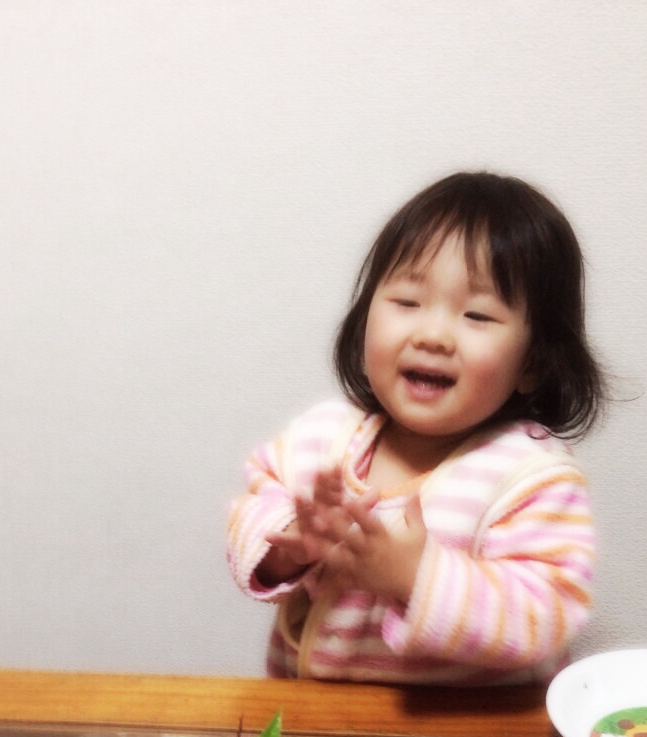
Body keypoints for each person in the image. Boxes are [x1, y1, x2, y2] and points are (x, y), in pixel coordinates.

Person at [227, 171, 606, 684]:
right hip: (315, 726)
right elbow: (251, 510)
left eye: (477, 315)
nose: (433, 335)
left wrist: (417, 576)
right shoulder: (320, 438)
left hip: (472, 732)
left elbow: (546, 612)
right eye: (407, 303)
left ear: (533, 362)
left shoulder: (530, 476)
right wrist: (287, 544)